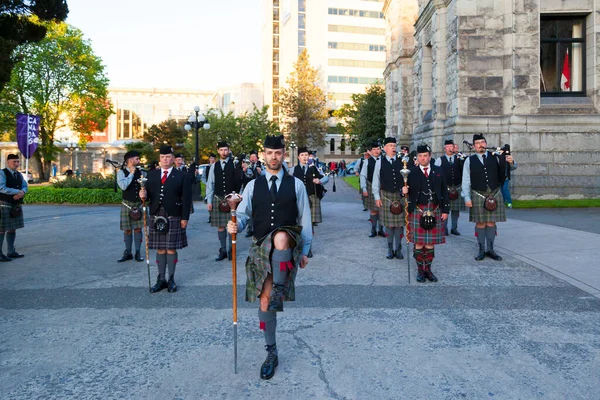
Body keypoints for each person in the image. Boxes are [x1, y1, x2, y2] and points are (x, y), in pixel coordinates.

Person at [227, 134, 312, 380]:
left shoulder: (296, 184)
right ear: (263, 154)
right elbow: (242, 216)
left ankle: (278, 288)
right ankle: (271, 351)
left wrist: (306, 250)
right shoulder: (252, 186)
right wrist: (236, 225)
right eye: (269, 152)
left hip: (287, 245)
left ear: (284, 154)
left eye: (278, 153)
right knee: (264, 303)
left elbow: (305, 219)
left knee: (282, 236)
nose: (273, 157)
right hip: (261, 246)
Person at [139, 145, 191, 293]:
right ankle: (161, 278)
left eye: (168, 157)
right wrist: (143, 195)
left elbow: (186, 200)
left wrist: (185, 218)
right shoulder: (152, 175)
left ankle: (171, 279)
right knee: (160, 249)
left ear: (173, 159)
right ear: (159, 159)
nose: (165, 159)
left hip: (174, 214)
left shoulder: (182, 176)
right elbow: (148, 195)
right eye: (162, 157)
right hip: (156, 214)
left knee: (171, 248)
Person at [462, 134, 514, 261]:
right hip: (478, 194)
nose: (481, 145)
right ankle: (481, 249)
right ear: (474, 146)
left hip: (494, 194)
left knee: (491, 222)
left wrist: (511, 162)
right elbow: (466, 180)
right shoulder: (469, 160)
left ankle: (490, 249)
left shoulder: (495, 157)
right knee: (480, 223)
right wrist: (466, 197)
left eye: (482, 142)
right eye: (478, 143)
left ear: (486, 143)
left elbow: (509, 169)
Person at [402, 144, 449, 282]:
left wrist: (445, 210)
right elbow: (405, 191)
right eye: (420, 156)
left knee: (429, 244)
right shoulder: (411, 172)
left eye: (425, 156)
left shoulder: (438, 170)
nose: (423, 158)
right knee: (418, 243)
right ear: (417, 157)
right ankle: (419, 271)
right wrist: (403, 191)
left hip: (434, 209)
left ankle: (427, 269)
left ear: (430, 156)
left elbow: (444, 191)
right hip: (418, 210)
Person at [206, 141, 242, 261]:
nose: (224, 152)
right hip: (218, 198)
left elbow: (239, 182)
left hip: (232, 199)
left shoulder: (235, 164)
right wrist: (209, 201)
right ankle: (223, 250)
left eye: (226, 150)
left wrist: (239, 198)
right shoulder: (214, 166)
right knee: (220, 226)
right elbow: (210, 184)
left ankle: (232, 249)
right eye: (221, 150)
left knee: (231, 225)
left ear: (229, 150)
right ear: (218, 151)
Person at [291, 146, 328, 257]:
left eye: (306, 155)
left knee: (309, 225)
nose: (304, 157)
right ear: (298, 157)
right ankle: (297, 247)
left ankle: (308, 248)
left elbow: (326, 178)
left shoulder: (314, 168)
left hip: (312, 197)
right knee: (297, 223)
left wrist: (319, 180)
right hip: (297, 199)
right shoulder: (293, 170)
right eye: (302, 155)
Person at [372, 137, 406, 259]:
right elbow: (376, 181)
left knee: (399, 225)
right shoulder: (379, 162)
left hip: (399, 196)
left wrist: (405, 188)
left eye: (394, 145)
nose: (393, 147)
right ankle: (390, 248)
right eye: (390, 145)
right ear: (385, 148)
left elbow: (407, 178)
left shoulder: (402, 161)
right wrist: (377, 197)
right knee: (389, 225)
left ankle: (398, 248)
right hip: (386, 196)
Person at [116, 150, 145, 262]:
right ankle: (128, 252)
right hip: (127, 204)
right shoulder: (121, 173)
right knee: (127, 230)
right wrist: (132, 173)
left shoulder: (141, 172)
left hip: (138, 204)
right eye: (137, 159)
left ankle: (137, 252)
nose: (139, 161)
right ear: (130, 160)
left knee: (138, 229)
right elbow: (123, 186)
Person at [0, 154, 28, 261]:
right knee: (1, 229)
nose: (16, 164)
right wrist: (17, 191)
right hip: (3, 203)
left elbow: (25, 186)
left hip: (15, 204)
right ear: (8, 162)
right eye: (14, 162)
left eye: (17, 161)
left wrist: (22, 192)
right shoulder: (2, 173)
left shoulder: (19, 174)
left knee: (13, 228)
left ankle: (11, 251)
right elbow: (1, 187)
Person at [435, 139, 465, 236]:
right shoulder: (440, 160)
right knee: (445, 209)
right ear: (444, 149)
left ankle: (454, 228)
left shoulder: (459, 158)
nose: (449, 148)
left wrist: (462, 159)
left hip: (457, 186)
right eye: (447, 147)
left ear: (454, 147)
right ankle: (444, 228)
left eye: (451, 146)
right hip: (446, 187)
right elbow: (436, 174)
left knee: (456, 210)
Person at [360, 140, 385, 238]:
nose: (376, 151)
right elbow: (363, 176)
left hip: (382, 187)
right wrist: (364, 188)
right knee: (374, 210)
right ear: (370, 151)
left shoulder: (384, 160)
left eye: (378, 149)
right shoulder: (367, 162)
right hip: (370, 186)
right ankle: (373, 229)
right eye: (374, 149)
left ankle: (381, 229)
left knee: (382, 209)